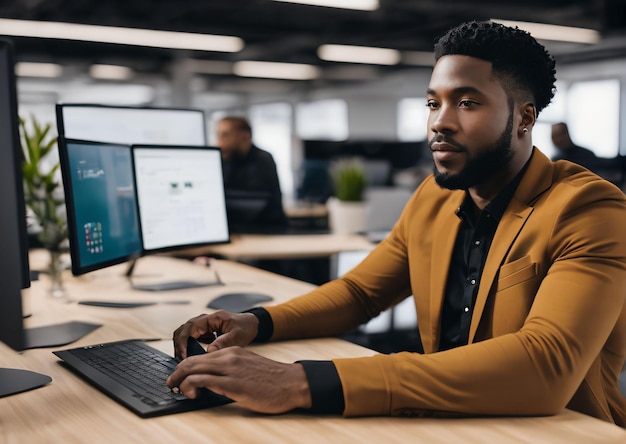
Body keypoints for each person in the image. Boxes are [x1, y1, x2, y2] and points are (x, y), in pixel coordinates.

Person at [167, 21, 626, 425]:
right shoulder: (434, 198)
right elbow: (361, 293)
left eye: (467, 103)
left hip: (560, 430)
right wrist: (255, 323)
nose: (439, 123)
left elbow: (544, 366)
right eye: (433, 103)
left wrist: (302, 381)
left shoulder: (589, 210)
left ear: (524, 118)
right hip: (445, 418)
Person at [216, 116, 288, 231]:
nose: (219, 140)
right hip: (239, 231)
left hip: (265, 231)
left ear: (244, 137)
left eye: (225, 135)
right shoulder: (227, 159)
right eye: (218, 134)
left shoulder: (262, 160)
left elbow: (253, 203)